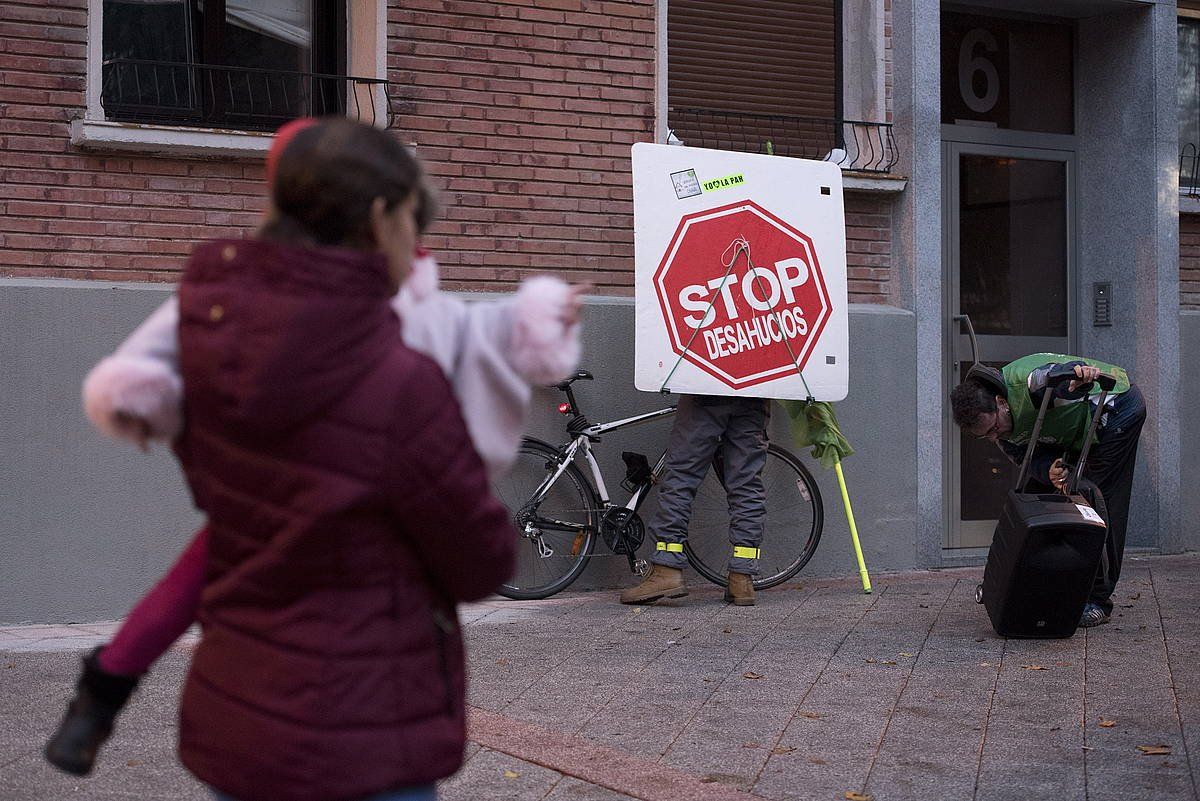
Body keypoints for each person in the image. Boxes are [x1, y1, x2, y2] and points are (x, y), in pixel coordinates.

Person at [40, 117, 572, 801]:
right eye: (413, 221)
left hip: (240, 717)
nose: (418, 247)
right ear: (381, 216)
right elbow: (481, 562)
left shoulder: (215, 338)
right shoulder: (397, 379)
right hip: (362, 732)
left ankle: (102, 689)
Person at [950, 353, 1146, 628]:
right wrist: (1049, 470)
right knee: (1036, 498)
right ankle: (1045, 581)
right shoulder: (1000, 431)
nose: (994, 437)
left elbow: (1053, 376)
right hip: (1071, 428)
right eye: (986, 436)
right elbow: (1026, 459)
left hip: (1115, 410)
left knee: (1097, 502)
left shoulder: (1027, 384)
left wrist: (1076, 376)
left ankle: (1098, 599)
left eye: (993, 428)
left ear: (1002, 403)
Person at [619, 395, 770, 607]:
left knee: (682, 476)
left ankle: (667, 569)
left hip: (706, 388)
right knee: (747, 483)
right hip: (754, 392)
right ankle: (742, 578)